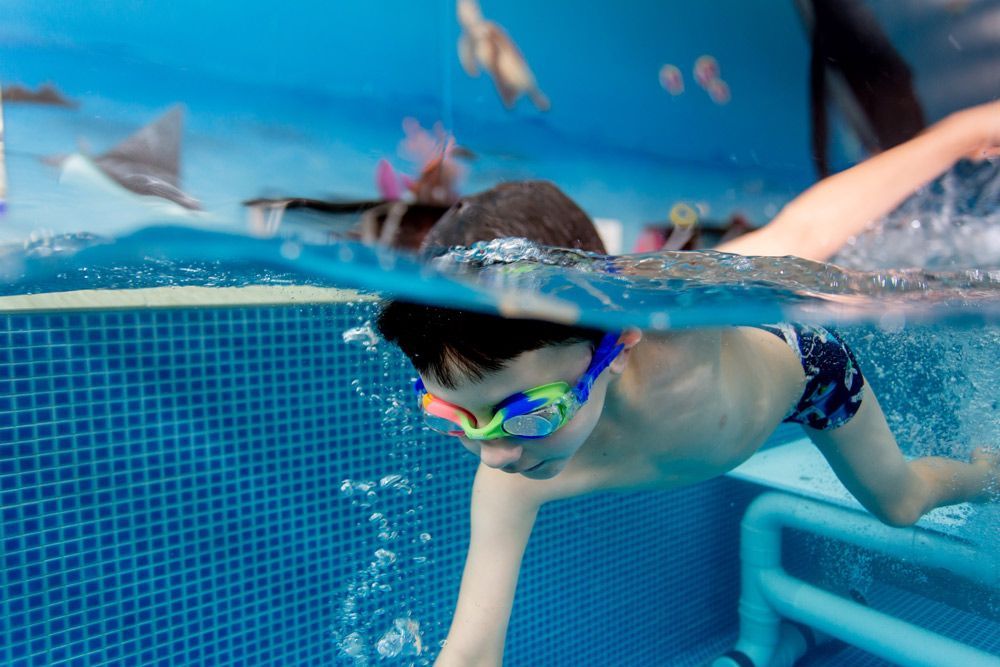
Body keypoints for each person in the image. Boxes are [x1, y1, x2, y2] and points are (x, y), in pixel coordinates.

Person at [376, 101, 1000, 666]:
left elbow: (805, 235)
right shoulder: (507, 477)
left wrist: (960, 133)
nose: (496, 452)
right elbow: (469, 655)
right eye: (456, 418)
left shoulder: (674, 322)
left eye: (533, 413)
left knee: (901, 505)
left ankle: (988, 471)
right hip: (727, 414)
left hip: (805, 374)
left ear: (614, 344)